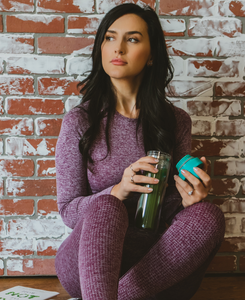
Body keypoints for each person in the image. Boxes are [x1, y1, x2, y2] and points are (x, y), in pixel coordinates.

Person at [54, 3, 225, 300]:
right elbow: (68, 211)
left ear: (151, 56)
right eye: (109, 38)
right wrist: (118, 190)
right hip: (89, 266)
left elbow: (169, 213)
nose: (118, 48)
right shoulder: (79, 121)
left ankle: (118, 295)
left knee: (208, 214)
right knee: (107, 206)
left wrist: (190, 200)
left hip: (155, 268)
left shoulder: (176, 122)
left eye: (132, 39)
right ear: (100, 48)